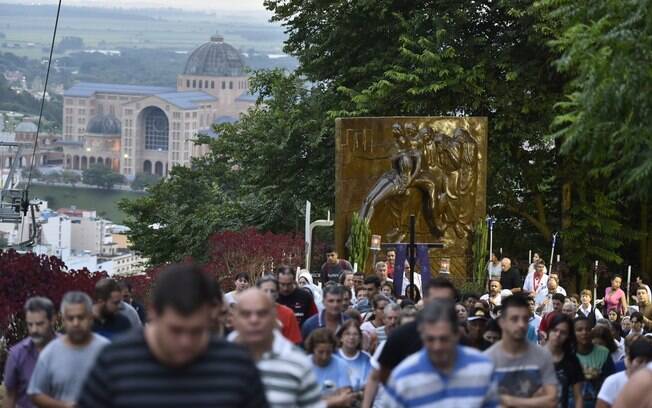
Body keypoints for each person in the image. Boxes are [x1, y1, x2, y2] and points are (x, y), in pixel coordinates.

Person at [77, 263, 268, 407]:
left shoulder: (236, 366)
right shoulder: (113, 363)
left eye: (197, 331)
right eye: (175, 330)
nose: (185, 342)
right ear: (153, 314)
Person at [384, 300, 499, 407]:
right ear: (421, 336)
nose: (437, 346)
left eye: (444, 339)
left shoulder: (483, 369)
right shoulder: (403, 378)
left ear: (457, 335)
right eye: (431, 339)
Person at [229, 288, 324, 408]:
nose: (254, 320)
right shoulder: (218, 359)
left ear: (274, 317)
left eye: (261, 313)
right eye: (246, 314)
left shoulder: (297, 361)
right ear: (234, 318)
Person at [29, 292, 109, 407]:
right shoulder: (50, 352)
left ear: (91, 318)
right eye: (71, 318)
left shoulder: (106, 350)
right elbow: (35, 393)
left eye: (81, 317)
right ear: (63, 320)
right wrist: (63, 406)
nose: (76, 323)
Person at [375, 277, 458, 383]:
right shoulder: (400, 335)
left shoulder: (461, 337)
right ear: (426, 301)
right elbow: (380, 374)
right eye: (436, 301)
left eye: (445, 301)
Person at [485, 294, 558, 407]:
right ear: (502, 322)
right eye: (514, 319)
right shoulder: (488, 359)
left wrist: (508, 401)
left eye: (525, 319)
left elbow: (551, 400)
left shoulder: (542, 356)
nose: (521, 324)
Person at [3, 297, 57, 408]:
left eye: (39, 324)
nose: (34, 330)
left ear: (52, 320)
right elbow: (9, 396)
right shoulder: (16, 354)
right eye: (30, 324)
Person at [597, 336, 652, 408]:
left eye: (648, 362)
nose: (644, 365)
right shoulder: (612, 382)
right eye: (640, 361)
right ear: (629, 360)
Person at [305, 328, 355, 404]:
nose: (324, 356)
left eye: (328, 352)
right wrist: (335, 399)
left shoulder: (341, 364)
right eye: (320, 352)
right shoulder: (303, 364)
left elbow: (346, 399)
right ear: (313, 349)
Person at [545, 314, 584, 408]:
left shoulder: (572, 361)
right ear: (549, 331)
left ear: (568, 336)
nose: (558, 335)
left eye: (563, 332)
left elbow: (578, 397)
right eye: (555, 330)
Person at [575, 316, 615, 408]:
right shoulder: (568, 353)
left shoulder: (603, 353)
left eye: (587, 329)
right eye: (579, 330)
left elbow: (610, 381)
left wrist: (597, 377)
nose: (584, 333)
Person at [257, 275, 302, 344]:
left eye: (272, 291)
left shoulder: (288, 314)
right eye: (265, 291)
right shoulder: (250, 313)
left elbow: (294, 344)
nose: (269, 294)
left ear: (277, 293)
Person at [336, 320, 372, 392]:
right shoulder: (333, 356)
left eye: (355, 334)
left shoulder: (367, 358)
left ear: (359, 338)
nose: (351, 337)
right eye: (347, 334)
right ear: (341, 338)